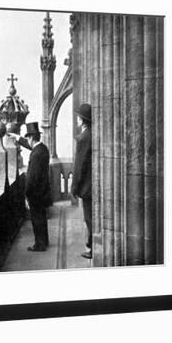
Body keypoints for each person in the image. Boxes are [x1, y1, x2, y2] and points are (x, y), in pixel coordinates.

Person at [10, 122, 52, 252]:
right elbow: (30, 146)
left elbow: (32, 178)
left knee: (36, 218)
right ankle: (44, 241)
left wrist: (27, 195)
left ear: (32, 138)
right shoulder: (43, 149)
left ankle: (39, 245)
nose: (27, 140)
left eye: (28, 138)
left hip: (35, 193)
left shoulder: (36, 154)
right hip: (43, 191)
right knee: (42, 217)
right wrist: (17, 137)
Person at [70, 103, 93, 259]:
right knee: (90, 217)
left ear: (83, 120)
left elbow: (79, 165)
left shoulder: (84, 137)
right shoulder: (90, 134)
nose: (77, 119)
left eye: (78, 117)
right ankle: (91, 247)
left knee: (89, 217)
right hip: (91, 184)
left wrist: (74, 187)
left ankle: (92, 249)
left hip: (87, 186)